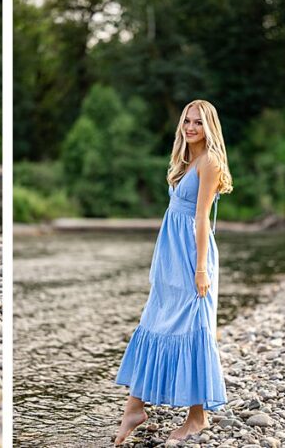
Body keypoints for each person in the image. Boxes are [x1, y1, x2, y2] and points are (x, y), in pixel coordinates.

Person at [113, 100, 234, 444]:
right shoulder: (185, 160)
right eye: (187, 121)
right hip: (170, 253)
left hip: (192, 254)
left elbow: (200, 219)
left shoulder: (209, 162)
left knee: (193, 325)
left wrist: (199, 269)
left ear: (209, 126)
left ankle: (197, 417)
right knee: (156, 319)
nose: (190, 127)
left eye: (197, 122)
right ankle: (134, 408)